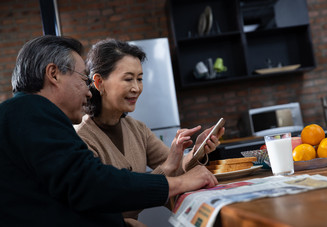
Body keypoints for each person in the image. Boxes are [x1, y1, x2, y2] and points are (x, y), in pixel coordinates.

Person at [0, 35, 218, 227]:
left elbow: (68, 198)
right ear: (53, 74)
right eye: (84, 79)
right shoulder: (31, 111)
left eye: (139, 78)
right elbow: (92, 184)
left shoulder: (27, 114)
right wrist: (179, 182)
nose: (88, 92)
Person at [76, 39, 225, 225]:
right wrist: (167, 168)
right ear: (98, 82)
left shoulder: (137, 129)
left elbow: (175, 171)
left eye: (139, 79)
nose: (136, 88)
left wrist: (197, 150)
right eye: (128, 79)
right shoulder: (81, 139)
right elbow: (110, 202)